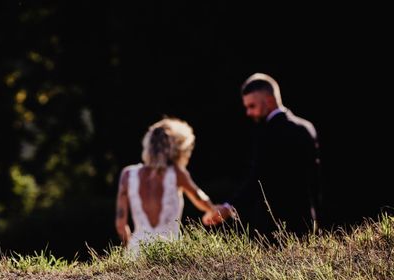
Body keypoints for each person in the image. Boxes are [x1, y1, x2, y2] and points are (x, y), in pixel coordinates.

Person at [206, 73, 322, 236]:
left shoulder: (267, 133)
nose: (248, 113)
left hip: (275, 226)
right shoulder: (306, 128)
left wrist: (228, 207)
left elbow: (257, 178)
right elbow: (315, 181)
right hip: (307, 222)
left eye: (252, 106)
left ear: (269, 100)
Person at [115, 117, 232, 255]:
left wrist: (129, 248)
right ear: (178, 149)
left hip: (137, 250)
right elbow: (200, 198)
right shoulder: (176, 174)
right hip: (170, 250)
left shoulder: (128, 174)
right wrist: (213, 210)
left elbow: (120, 225)